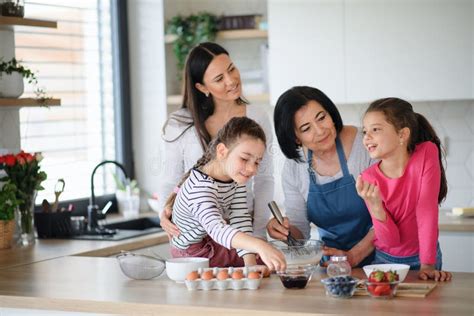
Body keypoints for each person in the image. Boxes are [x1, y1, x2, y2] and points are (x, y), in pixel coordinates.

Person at [157, 42, 274, 239]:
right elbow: (171, 179)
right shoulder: (180, 124)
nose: (231, 81)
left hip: (242, 229)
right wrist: (164, 213)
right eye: (219, 78)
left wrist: (259, 232)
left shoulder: (257, 116)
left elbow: (264, 179)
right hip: (196, 234)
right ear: (202, 87)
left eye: (231, 69)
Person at [267, 86, 376, 267]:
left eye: (322, 117)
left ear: (331, 114)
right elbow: (300, 230)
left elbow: (390, 213)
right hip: (332, 266)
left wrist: (354, 255)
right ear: (295, 137)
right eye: (306, 128)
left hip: (383, 260)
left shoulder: (366, 144)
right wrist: (283, 230)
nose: (320, 131)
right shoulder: (294, 167)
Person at [166, 116, 286, 271]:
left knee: (262, 258)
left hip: (212, 243)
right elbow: (217, 229)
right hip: (192, 254)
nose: (252, 169)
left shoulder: (234, 179)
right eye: (244, 159)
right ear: (222, 151)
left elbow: (240, 218)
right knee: (263, 254)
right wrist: (259, 245)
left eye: (257, 162)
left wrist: (250, 266)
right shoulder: (200, 188)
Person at [356, 97, 452, 281]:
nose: (366, 137)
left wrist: (428, 265)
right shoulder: (368, 178)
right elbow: (391, 241)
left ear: (402, 134)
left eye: (375, 129)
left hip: (426, 257)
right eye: (365, 131)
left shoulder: (426, 153)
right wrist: (376, 207)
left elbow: (427, 211)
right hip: (385, 261)